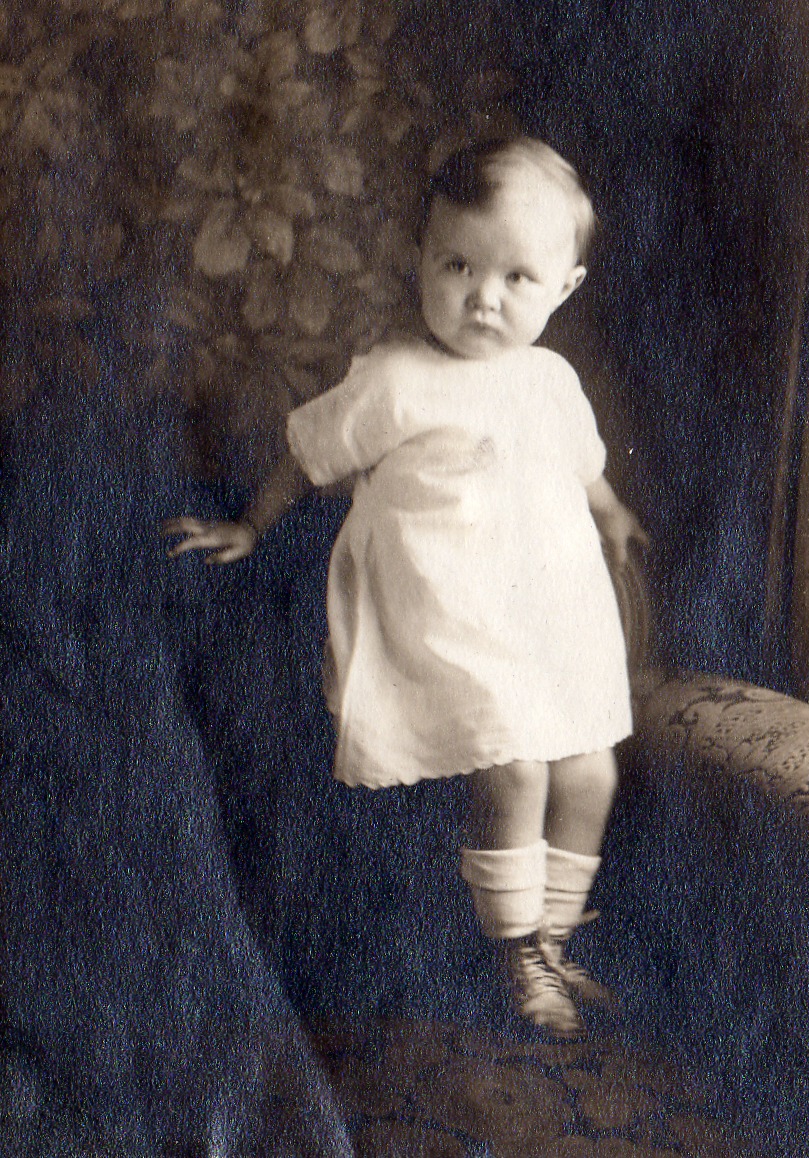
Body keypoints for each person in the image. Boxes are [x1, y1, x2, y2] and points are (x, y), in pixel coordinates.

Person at [163, 136, 647, 1037]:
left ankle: (554, 935)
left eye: (516, 278)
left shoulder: (551, 381)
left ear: (564, 288)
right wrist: (252, 524)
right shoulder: (395, 379)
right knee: (515, 768)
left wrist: (613, 515)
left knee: (591, 772)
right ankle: (517, 953)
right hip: (450, 619)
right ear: (421, 257)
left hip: (550, 617)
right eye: (457, 265)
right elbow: (310, 457)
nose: (482, 297)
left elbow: (585, 470)